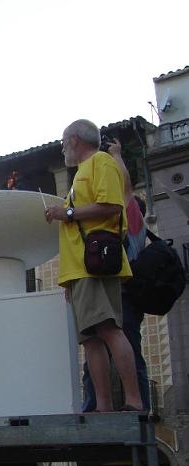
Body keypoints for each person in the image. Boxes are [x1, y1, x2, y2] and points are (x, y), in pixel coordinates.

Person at [45, 119, 142, 412]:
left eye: (63, 142)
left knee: (109, 329)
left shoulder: (101, 162)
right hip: (80, 271)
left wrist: (67, 212)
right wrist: (68, 279)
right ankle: (103, 406)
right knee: (90, 340)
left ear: (74, 140)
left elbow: (112, 206)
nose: (62, 148)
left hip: (95, 265)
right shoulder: (79, 175)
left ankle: (134, 402)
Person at [82, 139, 151, 412]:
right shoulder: (138, 230)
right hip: (126, 294)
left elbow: (126, 188)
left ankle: (129, 405)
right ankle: (136, 404)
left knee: (104, 345)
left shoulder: (130, 219)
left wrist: (116, 155)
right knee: (120, 347)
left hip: (120, 292)